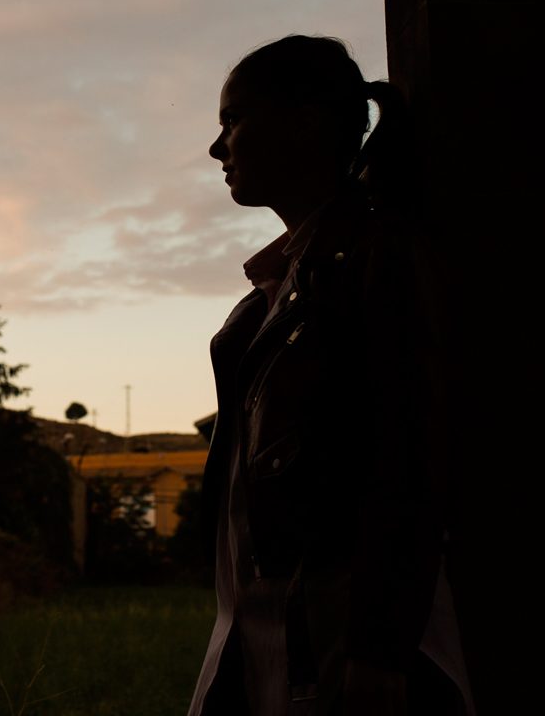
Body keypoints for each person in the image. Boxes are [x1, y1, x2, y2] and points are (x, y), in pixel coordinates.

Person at [187, 35, 474, 716]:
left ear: (307, 121)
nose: (216, 146)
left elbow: (407, 460)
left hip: (343, 648)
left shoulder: (378, 261)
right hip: (276, 643)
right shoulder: (278, 291)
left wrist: (379, 649)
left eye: (233, 119)